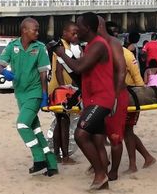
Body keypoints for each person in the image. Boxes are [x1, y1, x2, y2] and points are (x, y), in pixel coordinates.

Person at [54, 12, 116, 190]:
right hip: (92, 98)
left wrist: (61, 53)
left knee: (80, 135)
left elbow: (79, 67)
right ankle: (102, 180)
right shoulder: (89, 46)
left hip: (102, 99)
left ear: (87, 28)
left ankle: (100, 174)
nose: (76, 30)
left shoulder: (98, 45)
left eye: (78, 27)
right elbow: (81, 73)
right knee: (97, 140)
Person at [0, 17, 58, 177]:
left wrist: (44, 94)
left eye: (38, 29)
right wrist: (4, 72)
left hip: (35, 92)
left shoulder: (40, 47)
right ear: (24, 30)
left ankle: (39, 159)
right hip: (20, 94)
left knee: (22, 125)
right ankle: (52, 164)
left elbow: (43, 73)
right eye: (35, 30)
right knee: (35, 129)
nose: (38, 32)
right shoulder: (12, 46)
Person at [98, 16, 128, 181]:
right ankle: (102, 164)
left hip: (115, 94)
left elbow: (121, 71)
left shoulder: (113, 44)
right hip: (99, 94)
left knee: (115, 136)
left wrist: (115, 97)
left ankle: (114, 171)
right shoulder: (93, 45)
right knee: (96, 133)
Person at [48, 21, 80, 164]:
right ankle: (64, 156)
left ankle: (57, 154)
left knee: (60, 121)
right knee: (64, 121)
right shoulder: (61, 47)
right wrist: (64, 89)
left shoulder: (68, 46)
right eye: (73, 33)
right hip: (60, 90)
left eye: (77, 33)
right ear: (64, 33)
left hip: (63, 89)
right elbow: (58, 70)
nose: (75, 36)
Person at [123, 47, 156, 173]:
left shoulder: (127, 55)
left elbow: (138, 80)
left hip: (131, 96)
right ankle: (148, 157)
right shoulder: (105, 52)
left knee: (127, 130)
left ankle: (133, 165)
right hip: (118, 96)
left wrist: (139, 100)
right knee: (124, 131)